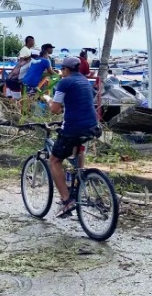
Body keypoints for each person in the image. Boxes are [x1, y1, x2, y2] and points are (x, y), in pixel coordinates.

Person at [43, 56, 100, 217]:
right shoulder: (84, 81)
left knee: (54, 161)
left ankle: (67, 200)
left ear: (66, 70)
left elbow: (55, 109)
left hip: (74, 128)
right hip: (92, 127)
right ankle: (80, 179)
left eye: (62, 70)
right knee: (78, 150)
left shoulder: (64, 82)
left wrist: (48, 100)